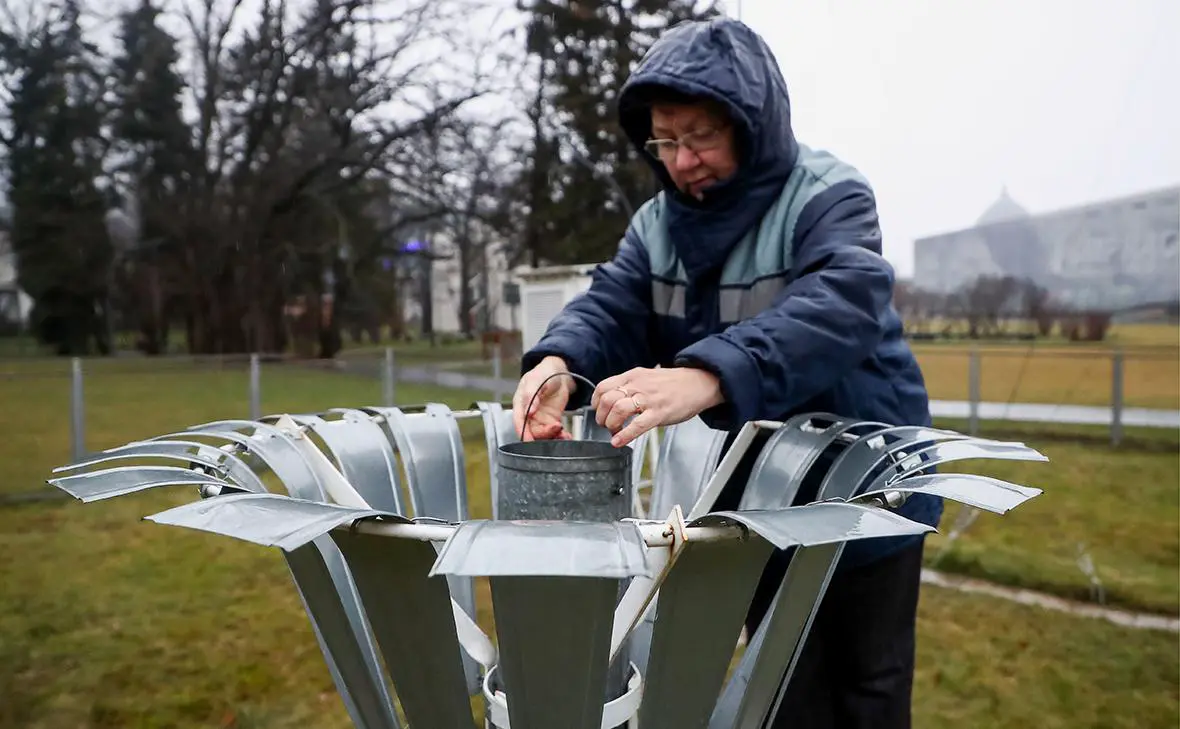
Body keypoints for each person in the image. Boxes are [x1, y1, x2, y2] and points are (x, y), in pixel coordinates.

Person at [511, 16, 938, 729]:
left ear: (753, 124)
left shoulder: (826, 195)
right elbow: (613, 303)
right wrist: (560, 360)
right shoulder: (658, 225)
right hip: (767, 495)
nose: (681, 161)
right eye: (666, 140)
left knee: (868, 685)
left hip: (870, 490)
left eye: (701, 136)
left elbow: (841, 303)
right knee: (782, 682)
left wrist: (707, 375)